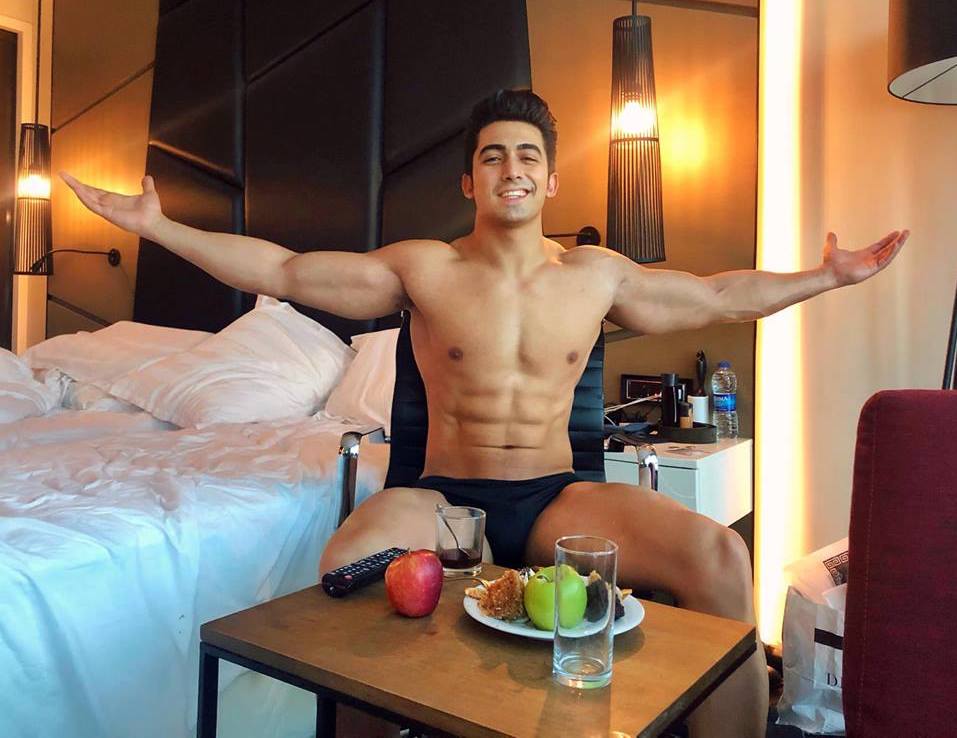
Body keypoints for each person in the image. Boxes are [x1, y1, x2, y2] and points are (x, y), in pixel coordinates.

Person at [62, 89, 908, 738]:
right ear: (470, 179)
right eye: (493, 156)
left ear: (550, 177)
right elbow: (282, 270)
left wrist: (824, 277)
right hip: (442, 499)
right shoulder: (422, 269)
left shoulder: (595, 275)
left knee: (720, 554)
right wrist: (161, 228)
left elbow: (719, 295)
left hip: (554, 498)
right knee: (347, 562)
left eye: (528, 155)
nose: (512, 169)